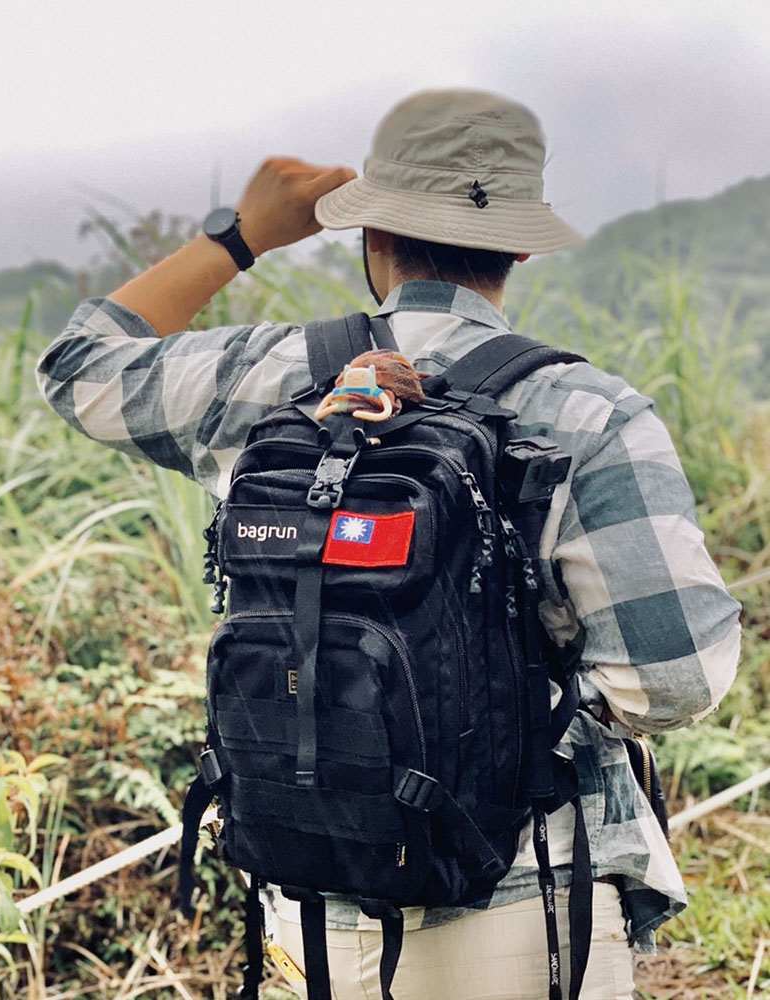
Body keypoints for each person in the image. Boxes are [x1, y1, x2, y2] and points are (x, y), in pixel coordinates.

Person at [36, 90, 741, 1000]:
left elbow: (79, 366)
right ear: (521, 246)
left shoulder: (266, 378)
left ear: (370, 233)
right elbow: (678, 675)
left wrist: (241, 237)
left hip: (309, 901)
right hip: (522, 896)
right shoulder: (591, 412)